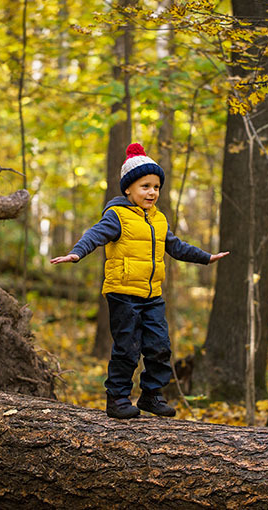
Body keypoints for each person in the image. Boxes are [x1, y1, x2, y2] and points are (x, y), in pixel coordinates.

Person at [51, 143, 228, 419]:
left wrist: (205, 257)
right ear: (128, 189)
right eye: (145, 186)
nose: (152, 192)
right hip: (123, 293)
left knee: (160, 346)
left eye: (156, 187)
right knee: (127, 348)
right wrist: (76, 253)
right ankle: (118, 399)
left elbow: (176, 246)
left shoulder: (158, 220)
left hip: (152, 294)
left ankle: (151, 395)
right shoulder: (117, 215)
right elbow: (95, 235)